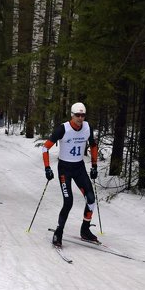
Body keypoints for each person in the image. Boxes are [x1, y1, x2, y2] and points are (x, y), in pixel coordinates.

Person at [41, 102, 99, 247]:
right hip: (65, 168)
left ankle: (85, 230)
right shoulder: (63, 129)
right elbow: (45, 147)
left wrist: (94, 165)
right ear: (72, 115)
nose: (80, 118)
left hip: (79, 167)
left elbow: (93, 145)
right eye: (77, 115)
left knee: (91, 199)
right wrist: (47, 168)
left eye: (83, 115)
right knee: (68, 202)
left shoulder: (87, 127)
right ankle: (58, 232)